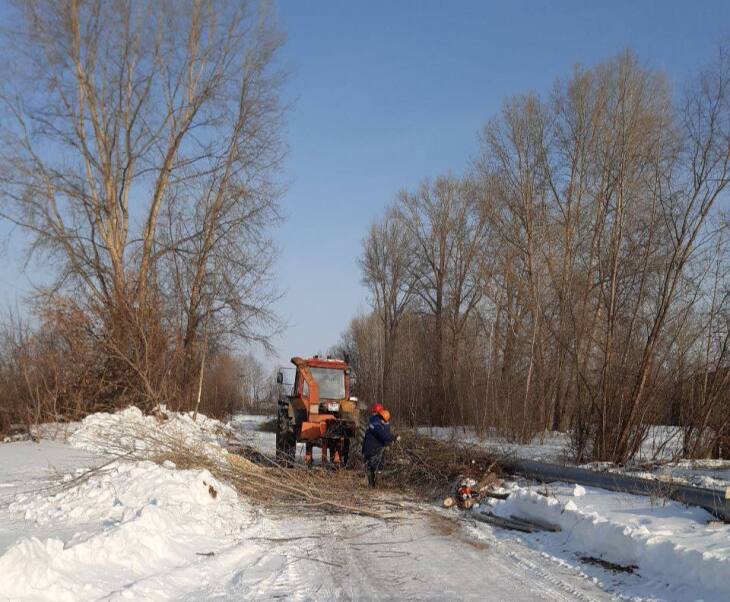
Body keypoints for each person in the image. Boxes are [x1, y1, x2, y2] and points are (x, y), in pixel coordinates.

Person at [362, 404, 399, 487]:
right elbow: (383, 435)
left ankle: (372, 485)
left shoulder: (373, 421)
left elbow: (384, 434)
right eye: (385, 421)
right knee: (377, 467)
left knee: (370, 468)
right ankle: (377, 485)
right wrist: (394, 438)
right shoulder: (376, 424)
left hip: (368, 448)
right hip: (374, 449)